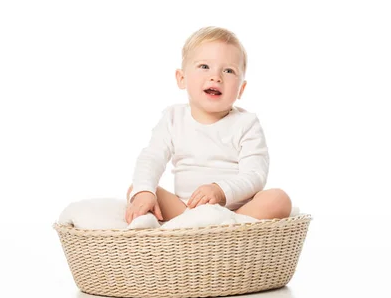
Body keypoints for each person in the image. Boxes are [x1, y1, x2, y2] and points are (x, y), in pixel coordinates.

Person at [125, 26, 292, 224]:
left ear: (241, 89)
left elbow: (255, 175)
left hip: (236, 212)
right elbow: (152, 157)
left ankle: (223, 230)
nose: (216, 77)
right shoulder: (173, 118)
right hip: (185, 210)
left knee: (279, 199)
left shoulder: (246, 124)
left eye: (228, 70)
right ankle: (189, 226)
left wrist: (221, 190)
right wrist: (144, 191)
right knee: (137, 191)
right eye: (204, 66)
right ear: (182, 78)